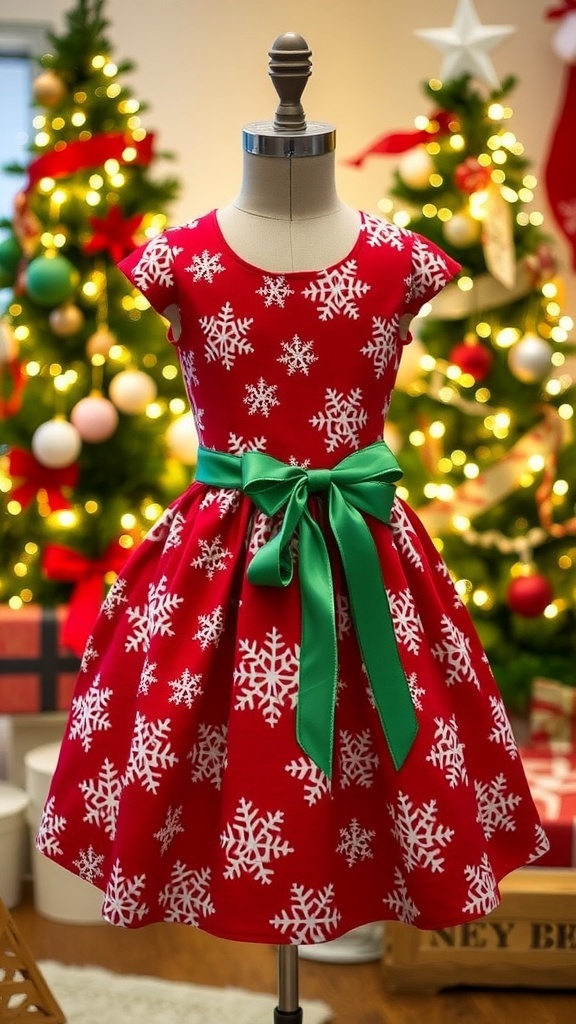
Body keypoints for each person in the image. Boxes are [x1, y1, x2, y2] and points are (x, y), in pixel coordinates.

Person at [36, 33, 548, 948]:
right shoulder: (178, 261)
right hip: (217, 571)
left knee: (374, 759)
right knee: (219, 759)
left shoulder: (402, 262)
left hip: (367, 564)